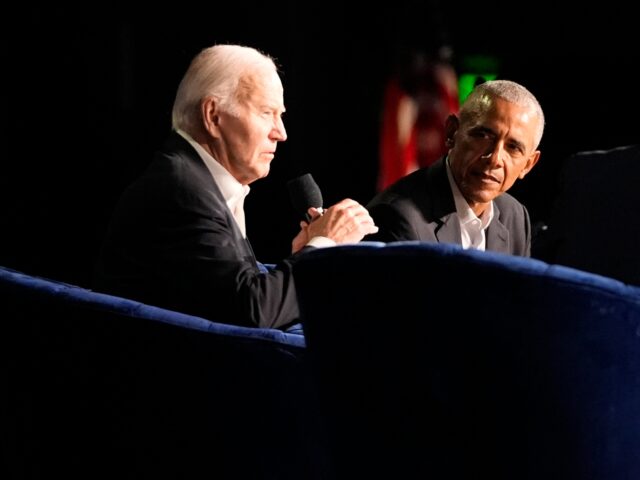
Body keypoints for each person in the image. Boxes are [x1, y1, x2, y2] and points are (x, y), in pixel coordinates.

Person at [94, 44, 378, 330]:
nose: (281, 133)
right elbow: (251, 311)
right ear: (213, 116)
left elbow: (236, 297)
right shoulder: (181, 191)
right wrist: (322, 246)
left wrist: (304, 257)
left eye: (281, 115)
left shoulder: (198, 181)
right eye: (267, 112)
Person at [366, 79, 544, 256]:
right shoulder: (398, 216)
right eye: (483, 135)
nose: (495, 159)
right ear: (452, 132)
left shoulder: (515, 216)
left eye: (513, 147)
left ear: (528, 165)